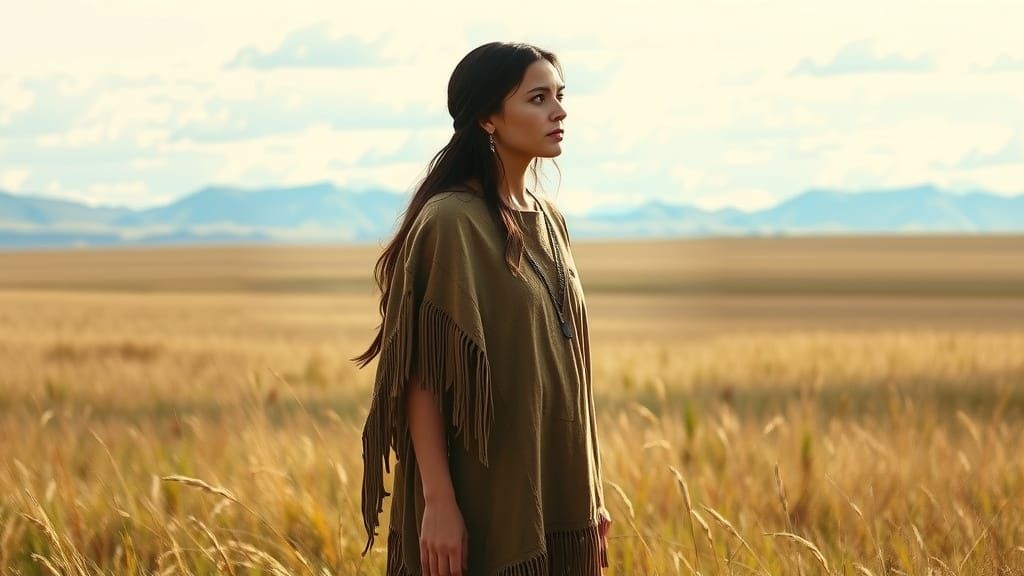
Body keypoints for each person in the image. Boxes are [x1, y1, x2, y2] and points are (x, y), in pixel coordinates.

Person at [352, 41, 612, 576]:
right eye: (538, 98)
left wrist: (591, 491)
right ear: (489, 118)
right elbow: (421, 375)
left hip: (558, 488)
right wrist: (440, 505)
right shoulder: (451, 221)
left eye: (560, 96)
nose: (559, 112)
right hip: (482, 493)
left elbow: (571, 373)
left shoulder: (551, 220)